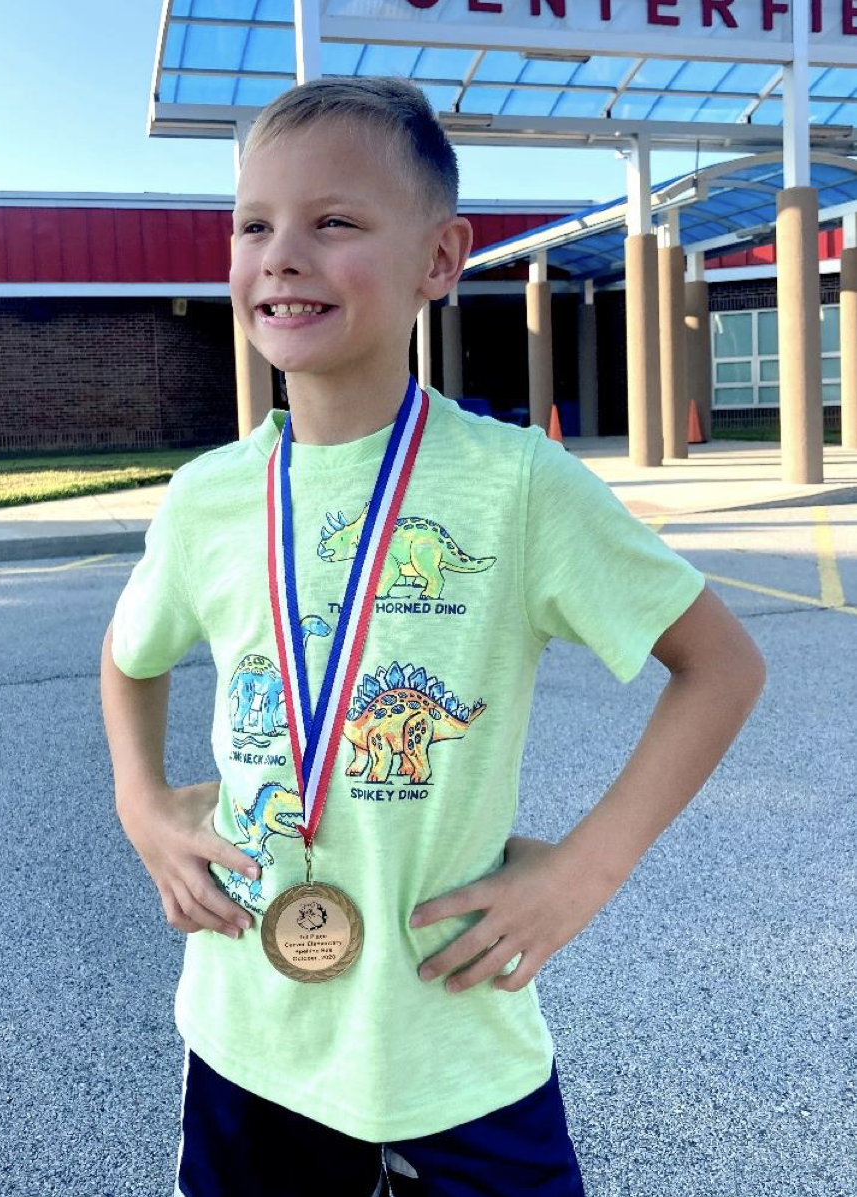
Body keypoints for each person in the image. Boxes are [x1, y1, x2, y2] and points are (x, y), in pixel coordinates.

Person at [100, 75, 766, 1197]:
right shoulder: (209, 496)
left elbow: (720, 666)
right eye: (253, 224)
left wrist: (583, 873)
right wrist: (140, 803)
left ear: (441, 260)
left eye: (335, 222)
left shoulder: (514, 486)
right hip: (248, 1033)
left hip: (452, 1033)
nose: (280, 254)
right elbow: (132, 661)